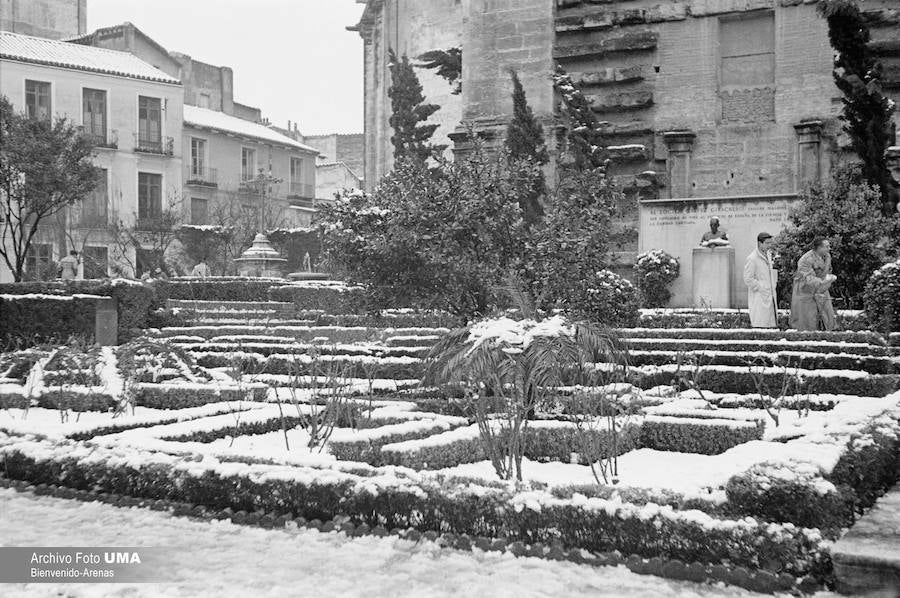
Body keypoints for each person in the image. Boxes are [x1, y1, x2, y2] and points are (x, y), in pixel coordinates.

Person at [789, 237, 837, 331]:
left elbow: (828, 270)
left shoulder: (827, 256)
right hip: (805, 289)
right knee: (807, 318)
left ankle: (828, 331)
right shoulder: (806, 259)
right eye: (826, 246)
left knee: (827, 312)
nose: (829, 249)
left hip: (821, 287)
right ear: (819, 248)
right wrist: (823, 281)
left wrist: (828, 278)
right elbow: (807, 277)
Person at [743, 232, 778, 328]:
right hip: (759, 296)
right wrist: (761, 287)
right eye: (767, 243)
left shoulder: (769, 256)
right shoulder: (752, 258)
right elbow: (748, 279)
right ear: (759, 243)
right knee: (761, 323)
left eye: (770, 243)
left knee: (771, 325)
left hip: (770, 295)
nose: (769, 246)